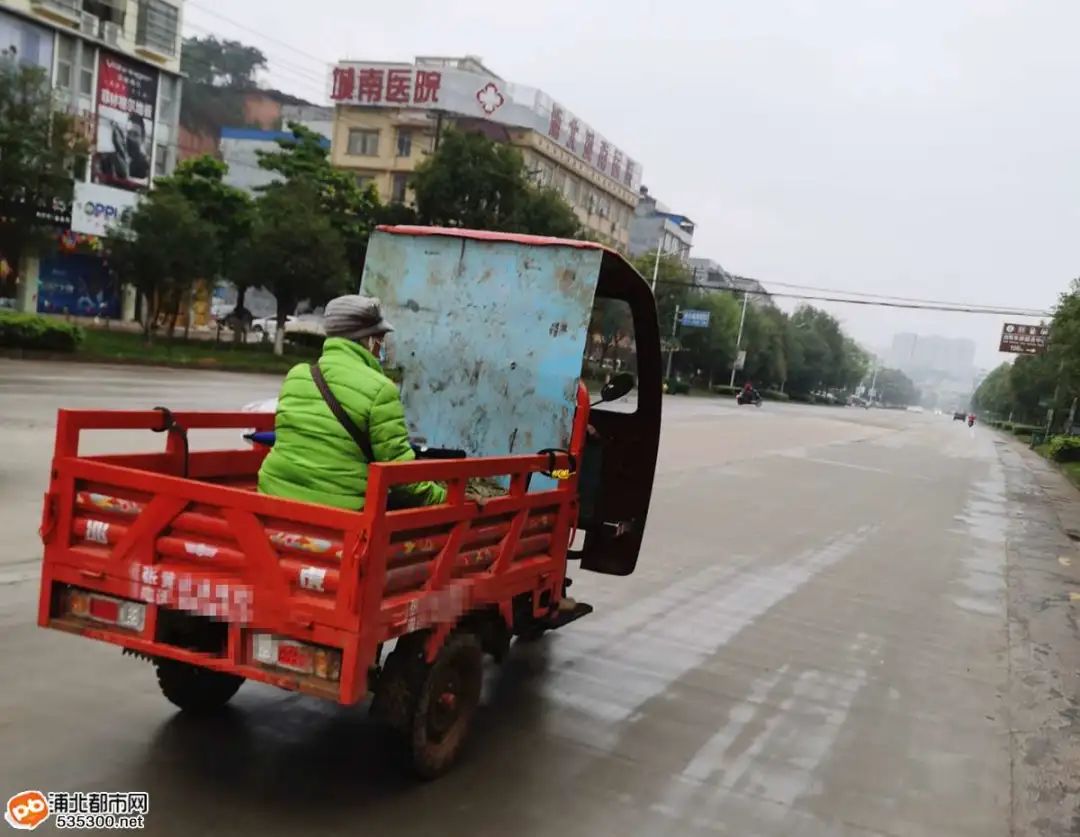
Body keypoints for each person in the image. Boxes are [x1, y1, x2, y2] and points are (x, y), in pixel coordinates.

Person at [258, 295, 446, 511]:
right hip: (340, 513)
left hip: (273, 498)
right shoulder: (380, 389)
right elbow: (402, 478)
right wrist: (448, 498)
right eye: (380, 337)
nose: (382, 345)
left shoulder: (296, 376)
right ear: (367, 339)